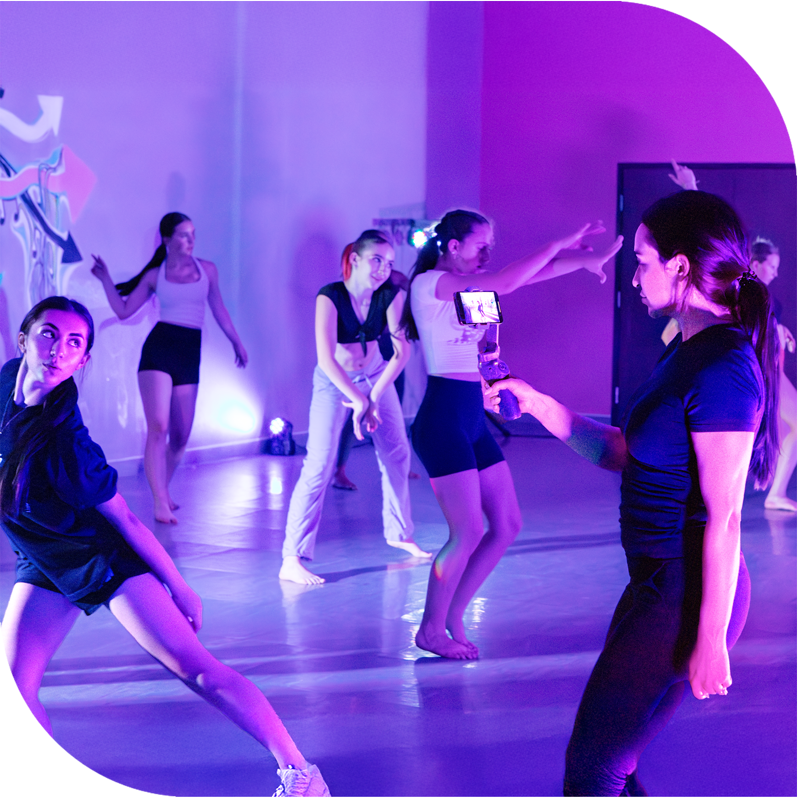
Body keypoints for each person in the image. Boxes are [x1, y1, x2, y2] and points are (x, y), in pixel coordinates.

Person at [487, 190, 779, 795]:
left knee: (594, 767)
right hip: (657, 581)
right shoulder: (687, 350)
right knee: (614, 760)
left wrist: (710, 641)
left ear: (679, 267)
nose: (633, 273)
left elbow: (725, 519)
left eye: (642, 260)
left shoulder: (723, 366)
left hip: (685, 590)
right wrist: (538, 401)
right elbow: (624, 451)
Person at [0, 297, 328, 798]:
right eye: (48, 334)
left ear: (83, 360)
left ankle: (301, 773)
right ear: (24, 338)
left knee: (196, 669)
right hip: (44, 561)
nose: (58, 350)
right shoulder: (6, 383)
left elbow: (127, 520)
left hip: (102, 561)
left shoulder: (69, 444)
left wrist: (178, 586)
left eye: (74, 343)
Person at [401, 209, 623, 659]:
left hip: (469, 416)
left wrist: (582, 262)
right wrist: (561, 242)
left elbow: (518, 284)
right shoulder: (430, 284)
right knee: (466, 531)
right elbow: (506, 281)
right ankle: (429, 630)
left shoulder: (472, 291)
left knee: (506, 524)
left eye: (490, 245)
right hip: (442, 419)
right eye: (479, 244)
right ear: (453, 246)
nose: (487, 252)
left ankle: (452, 614)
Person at [279, 230, 430, 586]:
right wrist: (360, 401)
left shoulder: (391, 295)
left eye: (389, 263)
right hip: (334, 382)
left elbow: (402, 353)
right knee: (319, 463)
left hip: (377, 376)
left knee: (396, 452)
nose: (382, 269)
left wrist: (372, 398)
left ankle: (399, 533)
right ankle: (292, 557)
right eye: (376, 260)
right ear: (355, 260)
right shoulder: (329, 297)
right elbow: (326, 358)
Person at [91, 213, 248, 524]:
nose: (190, 241)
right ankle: (160, 501)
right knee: (158, 427)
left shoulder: (208, 270)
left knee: (180, 436)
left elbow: (219, 309)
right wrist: (106, 279)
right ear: (167, 239)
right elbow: (124, 310)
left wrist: (236, 342)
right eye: (183, 235)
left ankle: (163, 490)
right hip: (159, 350)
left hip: (189, 354)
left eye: (192, 235)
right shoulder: (155, 275)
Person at [332, 269, 419, 491]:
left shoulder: (394, 280)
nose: (382, 266)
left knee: (392, 411)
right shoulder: (358, 288)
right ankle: (339, 470)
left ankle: (399, 465)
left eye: (387, 260)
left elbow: (412, 290)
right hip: (371, 357)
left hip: (392, 353)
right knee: (357, 413)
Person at [749, 238, 797, 512]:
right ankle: (774, 493)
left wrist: (782, 331)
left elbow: (769, 326)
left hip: (772, 373)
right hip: (764, 374)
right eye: (773, 266)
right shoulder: (748, 295)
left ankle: (775, 493)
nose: (776, 272)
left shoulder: (766, 299)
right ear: (756, 264)